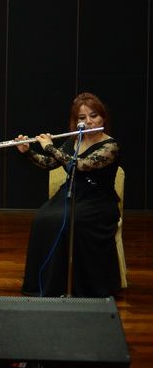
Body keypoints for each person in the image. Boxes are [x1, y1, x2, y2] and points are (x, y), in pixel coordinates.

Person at [15, 92, 121, 297]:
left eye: (93, 116)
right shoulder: (75, 140)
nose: (88, 121)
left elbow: (80, 165)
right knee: (43, 219)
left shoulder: (110, 145)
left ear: (103, 118)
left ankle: (80, 286)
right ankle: (48, 283)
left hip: (98, 200)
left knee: (72, 221)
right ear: (76, 121)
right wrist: (27, 151)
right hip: (71, 193)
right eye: (82, 117)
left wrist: (49, 147)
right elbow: (49, 163)